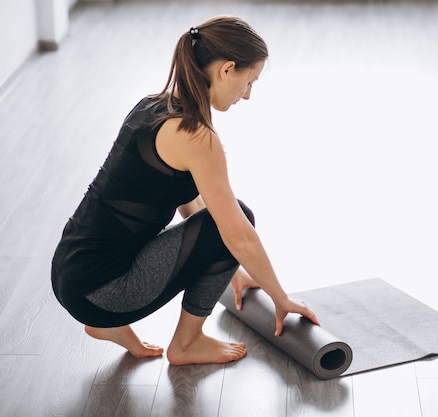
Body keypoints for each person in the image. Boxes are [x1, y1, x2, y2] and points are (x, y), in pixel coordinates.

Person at [51, 15, 319, 365]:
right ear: (226, 70)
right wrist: (280, 299)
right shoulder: (197, 137)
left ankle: (106, 326)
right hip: (105, 292)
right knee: (241, 217)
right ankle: (187, 343)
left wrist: (229, 269)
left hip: (69, 274)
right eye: (250, 81)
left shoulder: (155, 104)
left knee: (219, 225)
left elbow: (184, 197)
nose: (249, 95)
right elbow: (238, 234)